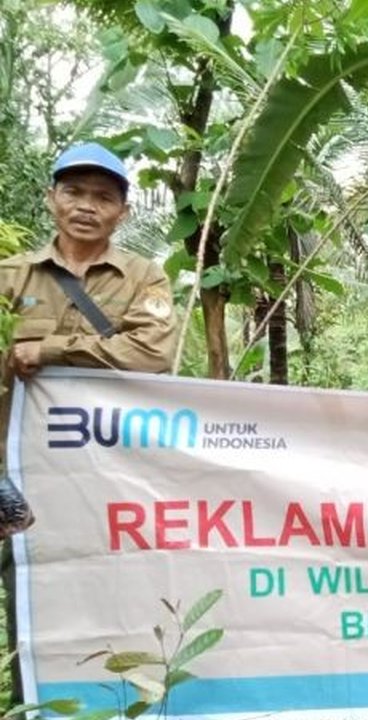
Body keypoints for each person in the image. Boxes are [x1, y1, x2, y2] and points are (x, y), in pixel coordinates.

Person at [0, 141, 178, 700]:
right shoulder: (11, 277)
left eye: (103, 197)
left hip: (112, 470)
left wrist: (49, 349)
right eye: (74, 191)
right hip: (21, 471)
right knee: (29, 582)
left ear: (122, 212)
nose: (86, 205)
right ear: (52, 198)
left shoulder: (143, 278)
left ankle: (126, 697)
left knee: (117, 582)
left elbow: (152, 352)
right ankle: (37, 701)